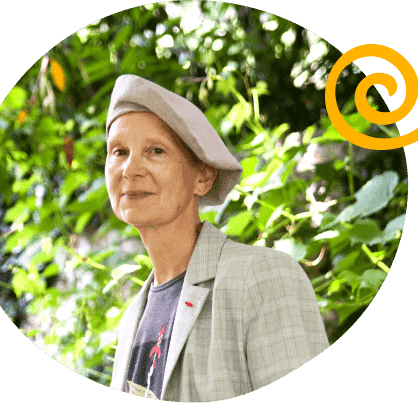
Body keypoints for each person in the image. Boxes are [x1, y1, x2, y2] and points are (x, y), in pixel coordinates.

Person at [106, 75, 329, 401]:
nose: (130, 169)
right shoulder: (131, 320)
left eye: (156, 151)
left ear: (204, 177)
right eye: (119, 151)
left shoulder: (262, 278)